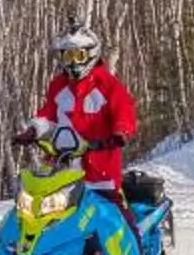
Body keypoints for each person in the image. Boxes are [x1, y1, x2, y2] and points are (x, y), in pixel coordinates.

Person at [26, 24, 136, 194]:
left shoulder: (107, 85)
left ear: (90, 54)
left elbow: (124, 110)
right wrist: (33, 131)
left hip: (100, 169)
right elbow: (48, 115)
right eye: (68, 56)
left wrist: (120, 132)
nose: (73, 62)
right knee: (46, 213)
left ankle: (130, 221)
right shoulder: (58, 85)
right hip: (62, 168)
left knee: (113, 213)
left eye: (79, 55)